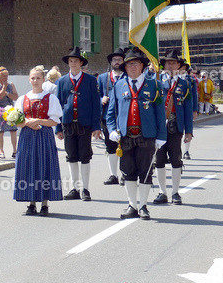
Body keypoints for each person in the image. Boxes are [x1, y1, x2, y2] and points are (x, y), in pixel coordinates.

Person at [105, 48, 167, 220]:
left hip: (146, 135)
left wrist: (161, 136)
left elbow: (160, 113)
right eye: (129, 64)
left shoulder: (154, 85)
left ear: (143, 66)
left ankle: (144, 206)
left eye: (136, 63)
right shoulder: (118, 85)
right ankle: (132, 205)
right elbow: (111, 112)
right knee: (127, 171)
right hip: (125, 136)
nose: (132, 67)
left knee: (145, 171)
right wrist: (111, 130)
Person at [13, 66, 64, 215]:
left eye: (38, 78)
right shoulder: (23, 98)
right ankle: (31, 203)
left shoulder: (50, 98)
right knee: (28, 167)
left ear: (43, 79)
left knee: (44, 166)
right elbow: (17, 122)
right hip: (27, 136)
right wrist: (29, 123)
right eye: (33, 78)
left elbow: (54, 121)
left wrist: (38, 121)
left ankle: (44, 204)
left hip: (44, 135)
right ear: (29, 80)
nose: (35, 81)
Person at [55, 46, 102, 201]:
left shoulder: (90, 80)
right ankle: (74, 188)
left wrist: (96, 127)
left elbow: (96, 105)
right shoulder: (62, 81)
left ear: (81, 63)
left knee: (85, 155)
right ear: (68, 63)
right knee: (71, 155)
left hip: (85, 124)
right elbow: (58, 105)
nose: (73, 63)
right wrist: (58, 127)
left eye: (76, 61)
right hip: (68, 124)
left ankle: (85, 189)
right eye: (71, 61)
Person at [152, 49, 194, 205]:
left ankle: (175, 192)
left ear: (179, 66)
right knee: (159, 159)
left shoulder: (185, 84)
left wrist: (188, 130)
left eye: (174, 63)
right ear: (164, 65)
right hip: (158, 126)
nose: (171, 65)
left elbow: (188, 109)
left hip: (176, 126)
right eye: (168, 62)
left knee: (176, 159)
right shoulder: (156, 81)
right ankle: (162, 192)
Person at [98, 50, 125, 185]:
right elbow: (95, 95)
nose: (117, 62)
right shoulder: (103, 78)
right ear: (111, 62)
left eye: (119, 59)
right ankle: (113, 175)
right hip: (107, 118)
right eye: (114, 59)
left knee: (126, 146)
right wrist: (100, 99)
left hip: (125, 117)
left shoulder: (127, 77)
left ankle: (125, 173)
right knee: (110, 146)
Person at [0, 66, 19, 158]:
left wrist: (8, 93)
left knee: (13, 130)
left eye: (7, 75)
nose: (6, 77)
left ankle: (15, 150)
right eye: (3, 76)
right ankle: (1, 151)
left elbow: (15, 97)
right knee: (1, 131)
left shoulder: (11, 84)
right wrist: (4, 88)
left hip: (10, 108)